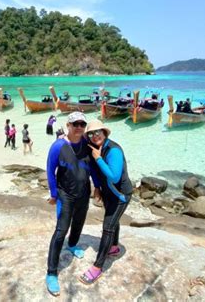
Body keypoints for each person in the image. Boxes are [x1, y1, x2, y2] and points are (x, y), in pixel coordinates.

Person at [45, 112, 101, 296]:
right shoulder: (58, 146)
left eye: (81, 124)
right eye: (75, 124)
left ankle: (73, 244)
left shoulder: (86, 144)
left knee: (79, 222)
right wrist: (54, 194)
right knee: (61, 230)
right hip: (65, 194)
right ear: (68, 125)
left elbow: (92, 167)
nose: (78, 127)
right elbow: (50, 169)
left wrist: (97, 187)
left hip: (83, 193)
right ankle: (51, 273)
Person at [78, 119, 133, 285]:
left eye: (98, 132)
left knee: (108, 226)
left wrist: (98, 158)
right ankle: (114, 247)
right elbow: (95, 170)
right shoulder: (95, 148)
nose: (95, 136)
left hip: (121, 195)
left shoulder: (113, 150)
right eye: (91, 134)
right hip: (108, 193)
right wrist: (97, 188)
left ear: (105, 132)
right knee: (113, 221)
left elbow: (114, 176)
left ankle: (97, 267)